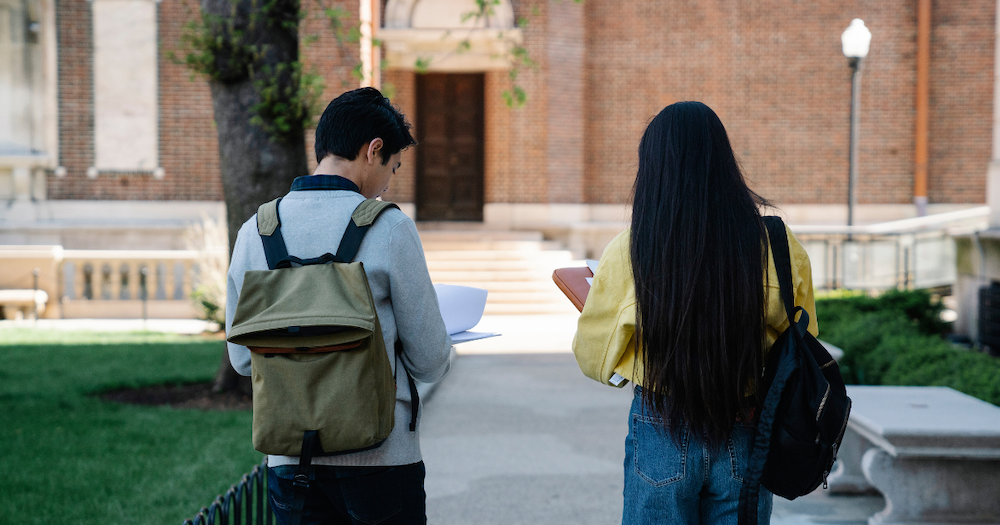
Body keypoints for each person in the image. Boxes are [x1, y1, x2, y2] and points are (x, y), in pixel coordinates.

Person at [571, 101, 817, 525]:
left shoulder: (631, 248)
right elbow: (802, 343)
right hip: (746, 425)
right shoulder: (778, 245)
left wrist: (627, 367)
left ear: (654, 169)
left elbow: (593, 357)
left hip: (661, 422)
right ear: (724, 162)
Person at [225, 87, 452, 524]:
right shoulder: (390, 229)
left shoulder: (256, 230)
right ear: (373, 150)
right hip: (381, 460)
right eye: (392, 167)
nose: (388, 184)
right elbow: (430, 361)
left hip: (290, 461)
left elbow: (241, 359)